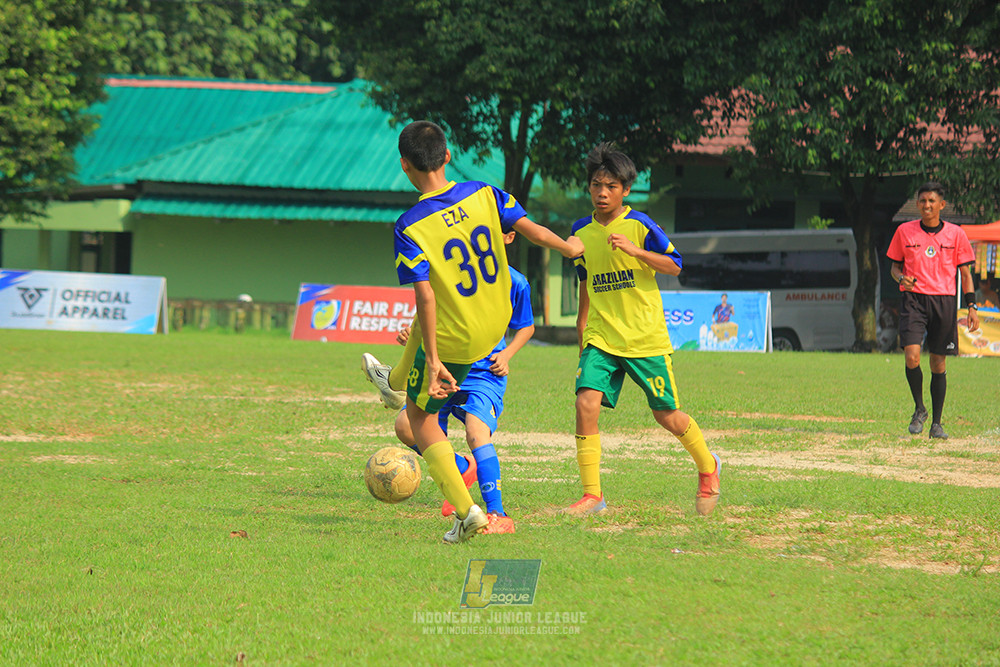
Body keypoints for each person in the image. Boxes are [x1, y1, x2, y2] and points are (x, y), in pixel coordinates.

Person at [369, 120, 582, 543]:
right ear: (447, 156)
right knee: (422, 347)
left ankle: (468, 513)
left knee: (418, 418)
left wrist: (432, 361)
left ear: (404, 165)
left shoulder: (409, 225)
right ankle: (392, 380)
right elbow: (531, 230)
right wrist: (567, 247)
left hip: (459, 339)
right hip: (494, 323)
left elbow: (425, 298)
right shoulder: (484, 192)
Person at [564, 142, 721, 517]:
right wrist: (582, 325)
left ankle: (708, 466)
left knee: (667, 416)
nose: (603, 192)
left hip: (645, 337)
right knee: (585, 402)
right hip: (602, 335)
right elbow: (586, 280)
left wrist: (636, 252)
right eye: (597, 185)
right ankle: (593, 496)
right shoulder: (580, 231)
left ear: (626, 190)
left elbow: (674, 265)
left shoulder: (640, 225)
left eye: (612, 186)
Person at [367, 230, 534, 536]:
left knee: (476, 431)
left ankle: (498, 513)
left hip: (484, 374)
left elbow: (526, 326)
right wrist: (412, 335)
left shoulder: (515, 282)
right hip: (443, 367)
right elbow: (429, 313)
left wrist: (507, 354)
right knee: (405, 426)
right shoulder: (451, 276)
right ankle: (460, 469)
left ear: (508, 238)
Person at [887, 181, 980, 439]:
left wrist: (971, 306)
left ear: (942, 205)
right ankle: (919, 409)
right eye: (922, 201)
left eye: (932, 201)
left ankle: (936, 424)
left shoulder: (956, 234)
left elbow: (965, 273)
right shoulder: (904, 232)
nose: (926, 205)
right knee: (912, 357)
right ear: (917, 204)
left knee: (938, 362)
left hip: (944, 301)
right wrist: (900, 279)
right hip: (914, 300)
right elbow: (895, 269)